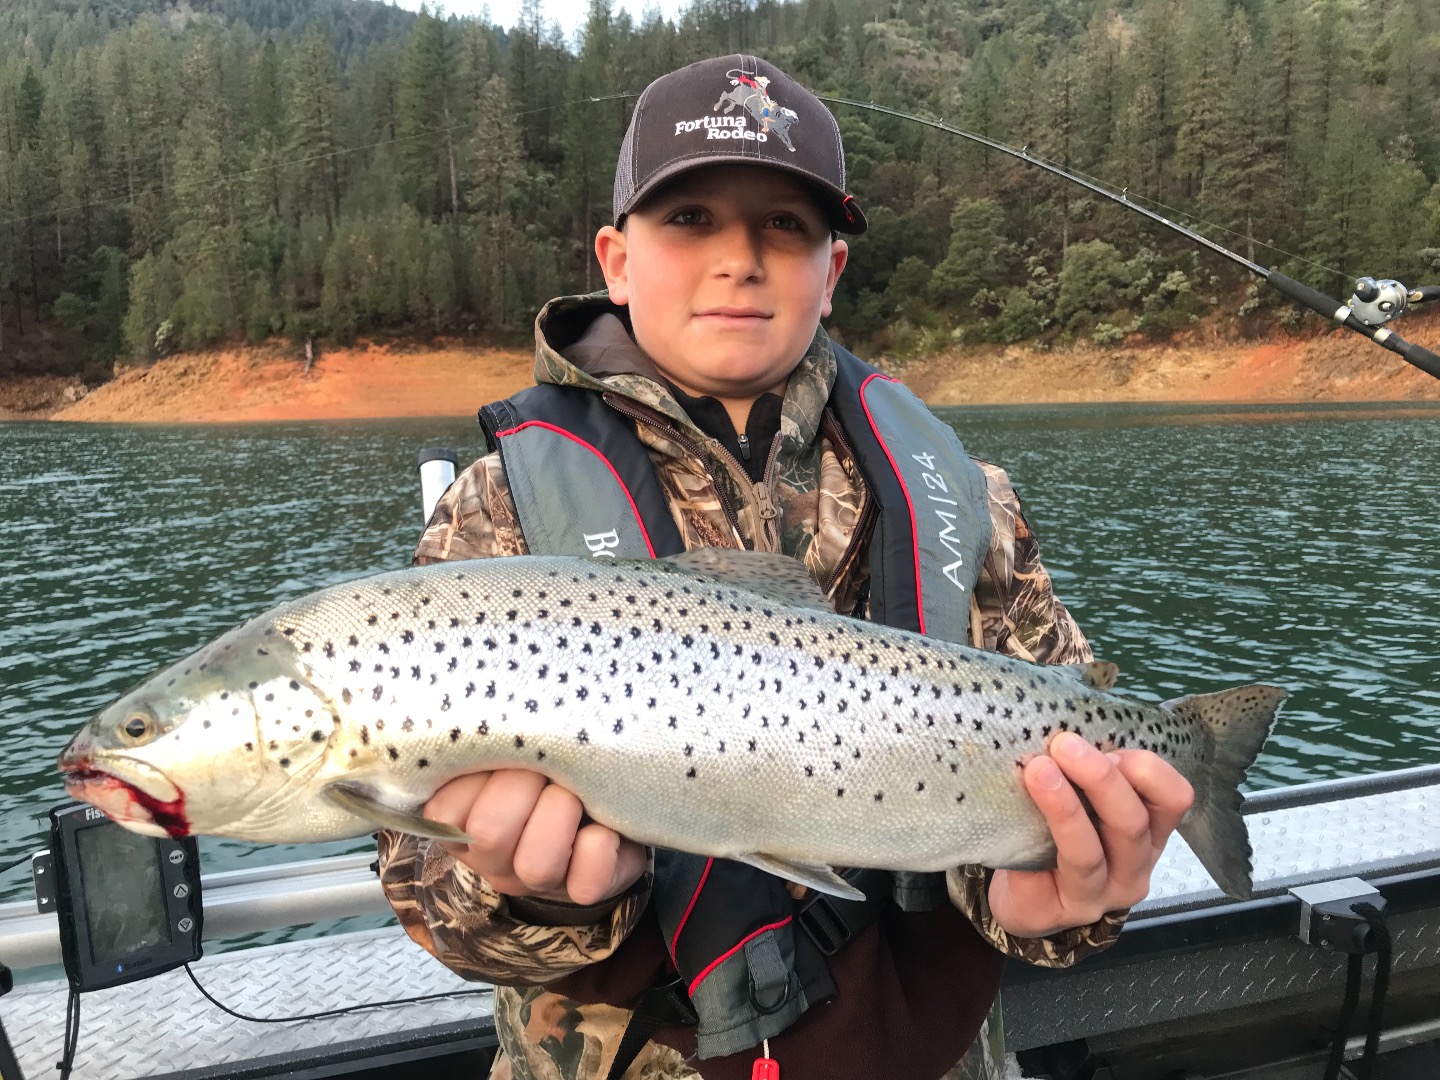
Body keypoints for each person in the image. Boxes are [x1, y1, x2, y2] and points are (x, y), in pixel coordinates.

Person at [378, 54, 1194, 1080]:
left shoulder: (963, 496)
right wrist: (528, 897)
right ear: (616, 259)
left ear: (832, 269)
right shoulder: (495, 513)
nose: (741, 259)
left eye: (786, 225)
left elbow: (1038, 812)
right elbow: (427, 897)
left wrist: (1059, 906)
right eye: (690, 220)